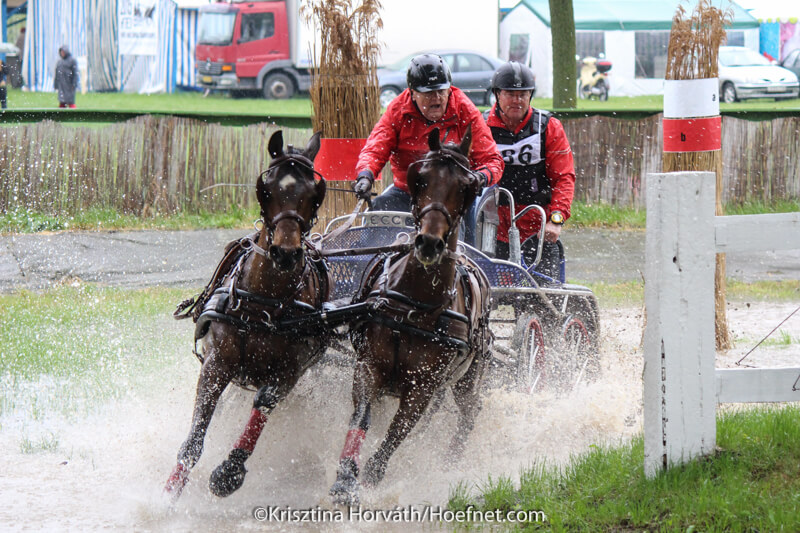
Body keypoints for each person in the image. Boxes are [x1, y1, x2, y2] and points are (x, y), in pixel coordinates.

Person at [352, 53, 504, 212]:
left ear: (449, 89)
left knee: (465, 222)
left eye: (441, 91)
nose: (436, 98)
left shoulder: (465, 110)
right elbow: (375, 149)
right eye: (429, 93)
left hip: (454, 193)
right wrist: (365, 175)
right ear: (413, 93)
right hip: (408, 193)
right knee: (377, 211)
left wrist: (480, 177)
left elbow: (492, 160)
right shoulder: (397, 111)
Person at [484, 61, 575, 281]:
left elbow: (564, 177)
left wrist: (557, 218)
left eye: (523, 94)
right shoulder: (482, 126)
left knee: (545, 293)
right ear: (497, 95)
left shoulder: (548, 127)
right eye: (510, 94)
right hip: (491, 229)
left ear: (530, 96)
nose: (517, 100)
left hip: (537, 229)